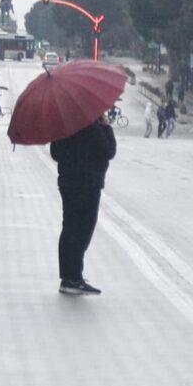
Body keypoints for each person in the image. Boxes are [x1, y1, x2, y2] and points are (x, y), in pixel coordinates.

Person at [51, 110, 117, 295]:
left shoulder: (64, 123)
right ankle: (73, 278)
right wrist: (105, 127)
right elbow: (108, 150)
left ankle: (69, 277)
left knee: (70, 228)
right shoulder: (91, 125)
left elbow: (55, 152)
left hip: (68, 183)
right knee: (82, 230)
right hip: (87, 184)